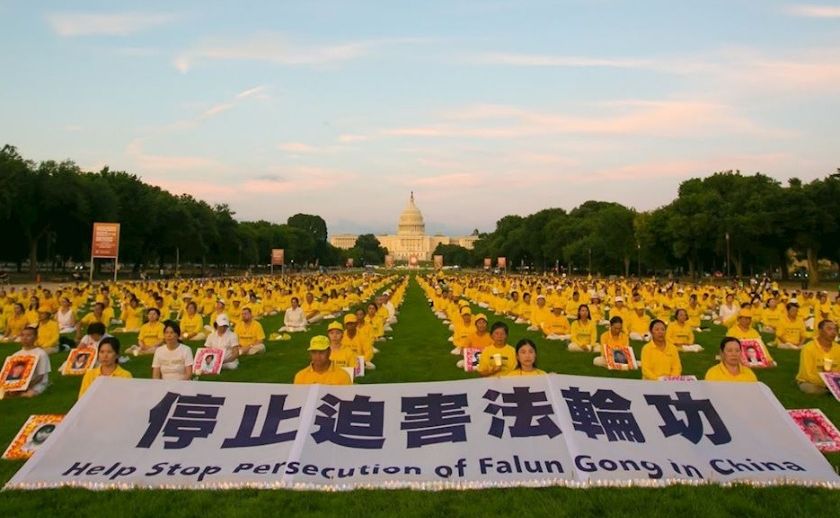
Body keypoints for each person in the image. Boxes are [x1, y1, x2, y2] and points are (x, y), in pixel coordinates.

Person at [796, 319, 840, 394]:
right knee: (811, 389)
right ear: (820, 331)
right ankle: (830, 391)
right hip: (811, 382)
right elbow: (807, 374)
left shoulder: (838, 348)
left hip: (834, 381)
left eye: (835, 329)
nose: (833, 332)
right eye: (829, 329)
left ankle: (831, 390)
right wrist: (827, 383)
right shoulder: (808, 348)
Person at [5, 326, 50, 397]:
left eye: (28, 335)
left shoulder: (41, 353)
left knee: (29, 394)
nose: (25, 338)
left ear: (35, 337)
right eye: (22, 335)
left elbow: (41, 376)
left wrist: (25, 387)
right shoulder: (16, 355)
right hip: (18, 384)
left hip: (36, 382)